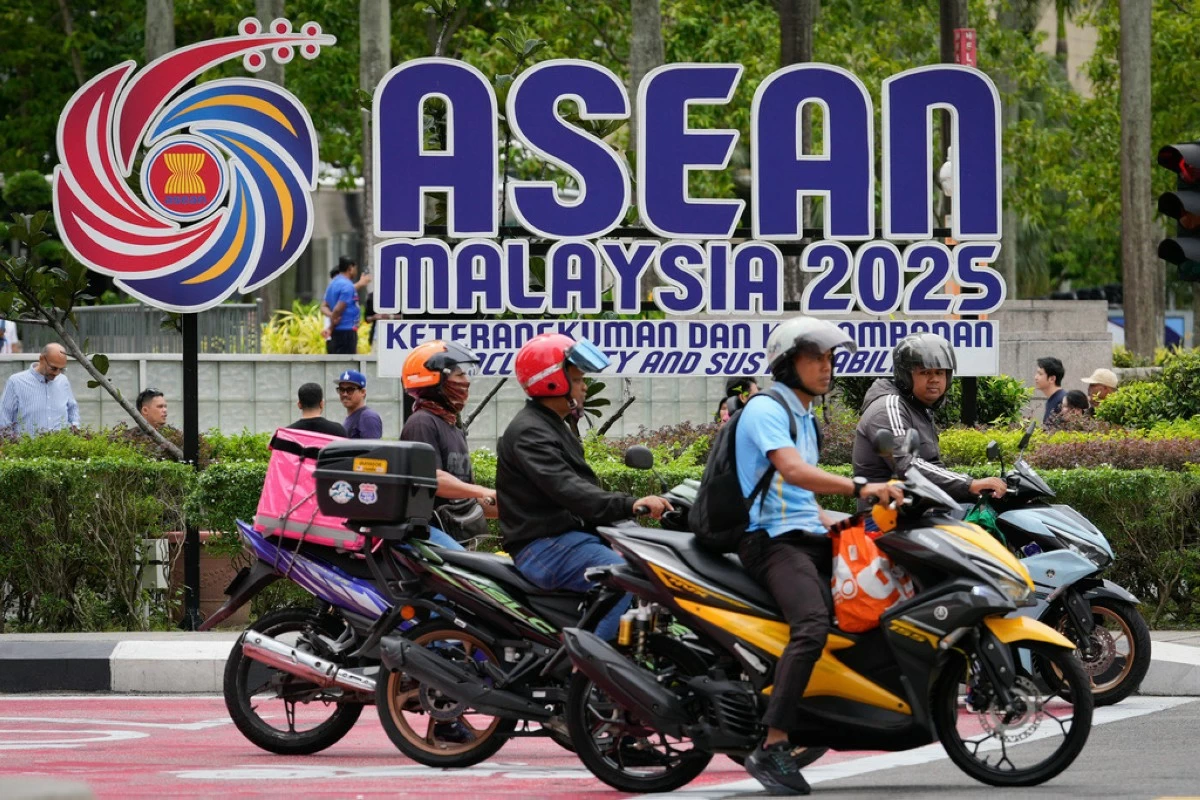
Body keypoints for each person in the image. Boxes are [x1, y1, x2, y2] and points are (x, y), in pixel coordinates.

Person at [734, 317, 902, 795]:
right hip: (770, 542)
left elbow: (800, 498)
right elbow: (792, 471)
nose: (827, 368)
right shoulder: (766, 409)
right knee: (811, 625)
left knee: (876, 596)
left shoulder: (803, 412)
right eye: (816, 359)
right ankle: (773, 742)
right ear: (789, 365)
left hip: (805, 533)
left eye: (830, 359)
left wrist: (852, 521)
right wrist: (862, 488)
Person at [496, 333, 670, 641]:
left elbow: (579, 487)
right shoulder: (530, 432)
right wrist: (628, 503)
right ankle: (590, 669)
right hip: (543, 546)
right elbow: (570, 489)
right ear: (552, 383)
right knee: (624, 576)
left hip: (565, 538)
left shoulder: (552, 425)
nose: (585, 387)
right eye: (578, 380)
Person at [853, 333, 1007, 512]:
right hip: (884, 519)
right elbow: (907, 465)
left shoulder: (918, 408)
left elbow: (933, 466)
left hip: (915, 514)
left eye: (940, 373)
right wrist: (968, 484)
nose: (934, 379)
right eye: (925, 372)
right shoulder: (890, 406)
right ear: (906, 375)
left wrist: (975, 484)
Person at [400, 341, 499, 551]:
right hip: (426, 529)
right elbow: (432, 479)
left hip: (454, 529)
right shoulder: (421, 423)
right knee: (472, 574)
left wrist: (521, 510)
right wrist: (482, 490)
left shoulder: (453, 427)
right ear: (436, 379)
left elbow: (467, 497)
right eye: (459, 375)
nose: (466, 381)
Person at [0, 343, 80, 437]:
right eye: (53, 368)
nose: (57, 373)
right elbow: (4, 418)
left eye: (61, 369)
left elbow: (72, 409)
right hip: (28, 449)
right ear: (42, 359)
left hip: (61, 448)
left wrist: (75, 427)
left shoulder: (63, 381)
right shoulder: (16, 382)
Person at [322, 257, 371, 355]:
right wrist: (333, 318)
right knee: (346, 364)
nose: (356, 272)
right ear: (350, 268)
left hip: (337, 332)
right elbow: (339, 309)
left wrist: (331, 323)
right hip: (346, 332)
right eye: (355, 268)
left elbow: (323, 306)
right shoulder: (347, 286)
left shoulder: (333, 284)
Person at [335, 370, 383, 439]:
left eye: (350, 390)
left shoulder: (367, 417)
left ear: (363, 392)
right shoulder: (353, 417)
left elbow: (371, 448)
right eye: (341, 389)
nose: (344, 394)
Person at [1035, 356, 1066, 425]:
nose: (1036, 377)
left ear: (1052, 379)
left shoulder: (1063, 400)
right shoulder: (1052, 399)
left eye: (1040, 374)